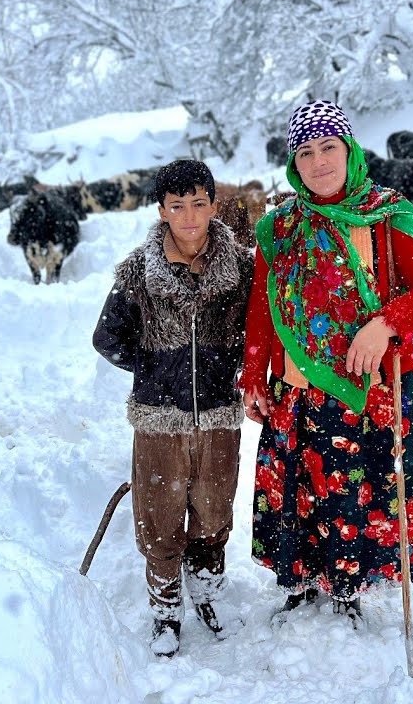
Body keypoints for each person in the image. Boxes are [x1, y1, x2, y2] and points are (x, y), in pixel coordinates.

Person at [239, 100, 413, 624]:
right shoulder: (281, 225)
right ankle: (303, 575)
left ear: (350, 149)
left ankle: (349, 581)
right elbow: (263, 306)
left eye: (328, 147)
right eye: (306, 151)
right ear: (294, 162)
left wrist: (385, 325)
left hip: (376, 386)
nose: (319, 162)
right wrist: (253, 373)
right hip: (296, 386)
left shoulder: (388, 214)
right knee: (301, 489)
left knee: (361, 488)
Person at [92, 159, 253, 657]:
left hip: (221, 414)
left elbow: (260, 329)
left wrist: (234, 368)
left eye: (198, 204)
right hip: (159, 419)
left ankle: (207, 592)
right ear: (161, 210)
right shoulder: (138, 272)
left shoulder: (242, 268)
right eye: (177, 206)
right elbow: (106, 337)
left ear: (213, 205)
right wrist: (155, 369)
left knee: (212, 512)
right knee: (158, 517)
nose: (188, 217)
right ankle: (165, 608)